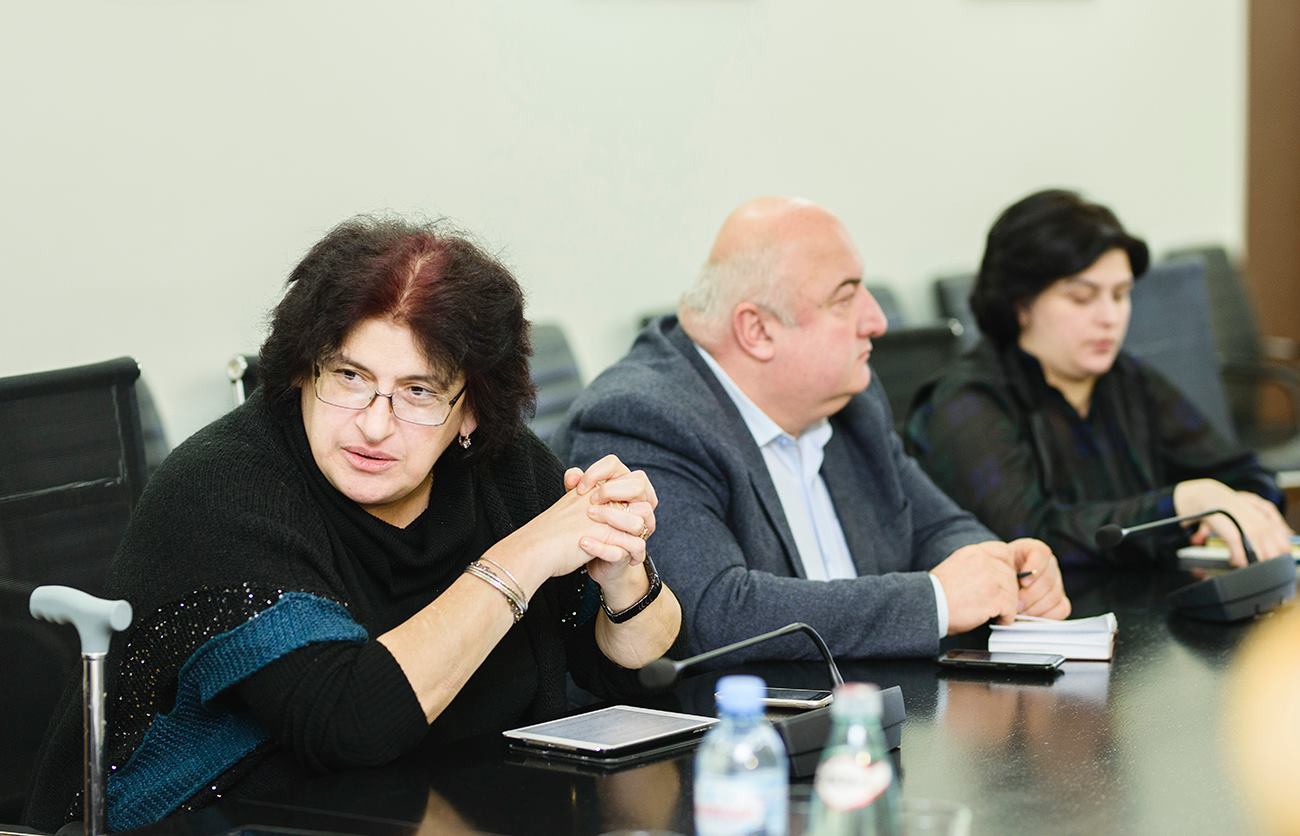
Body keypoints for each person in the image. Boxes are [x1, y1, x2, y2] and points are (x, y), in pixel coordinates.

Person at [25, 217, 683, 832]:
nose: (373, 424)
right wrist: (520, 560)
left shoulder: (499, 468)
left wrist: (623, 571)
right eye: (349, 376)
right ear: (303, 370)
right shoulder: (223, 488)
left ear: (471, 411)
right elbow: (350, 720)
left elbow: (629, 664)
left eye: (419, 392)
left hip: (447, 808)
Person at [552, 197, 1070, 663]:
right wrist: (934, 600)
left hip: (876, 709)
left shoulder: (849, 398)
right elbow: (711, 613)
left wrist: (1003, 570)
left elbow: (935, 527)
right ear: (758, 330)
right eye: (844, 299)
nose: (876, 321)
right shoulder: (642, 418)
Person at [905, 189, 1291, 568]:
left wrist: (1244, 503)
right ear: (1020, 304)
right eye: (1082, 298)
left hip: (1149, 599)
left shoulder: (1127, 379)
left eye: (1120, 295)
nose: (1110, 317)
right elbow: (1028, 537)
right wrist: (1176, 508)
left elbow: (1241, 472)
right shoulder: (966, 400)